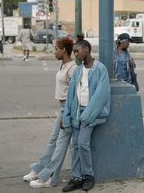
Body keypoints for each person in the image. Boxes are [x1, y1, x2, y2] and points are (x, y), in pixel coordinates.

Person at [23, 37, 76, 188]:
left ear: (64, 50)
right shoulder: (63, 65)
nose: (54, 53)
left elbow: (74, 94)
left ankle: (49, 178)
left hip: (68, 109)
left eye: (56, 50)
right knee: (53, 141)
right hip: (62, 108)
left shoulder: (72, 68)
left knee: (60, 145)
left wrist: (67, 113)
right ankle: (38, 170)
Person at [61, 35, 111, 192]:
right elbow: (71, 95)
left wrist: (87, 115)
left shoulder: (100, 69)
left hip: (90, 114)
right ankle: (77, 177)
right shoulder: (77, 71)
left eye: (77, 51)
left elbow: (101, 95)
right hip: (76, 112)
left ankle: (88, 176)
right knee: (75, 145)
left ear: (86, 49)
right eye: (74, 52)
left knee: (83, 144)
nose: (75, 54)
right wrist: (66, 115)